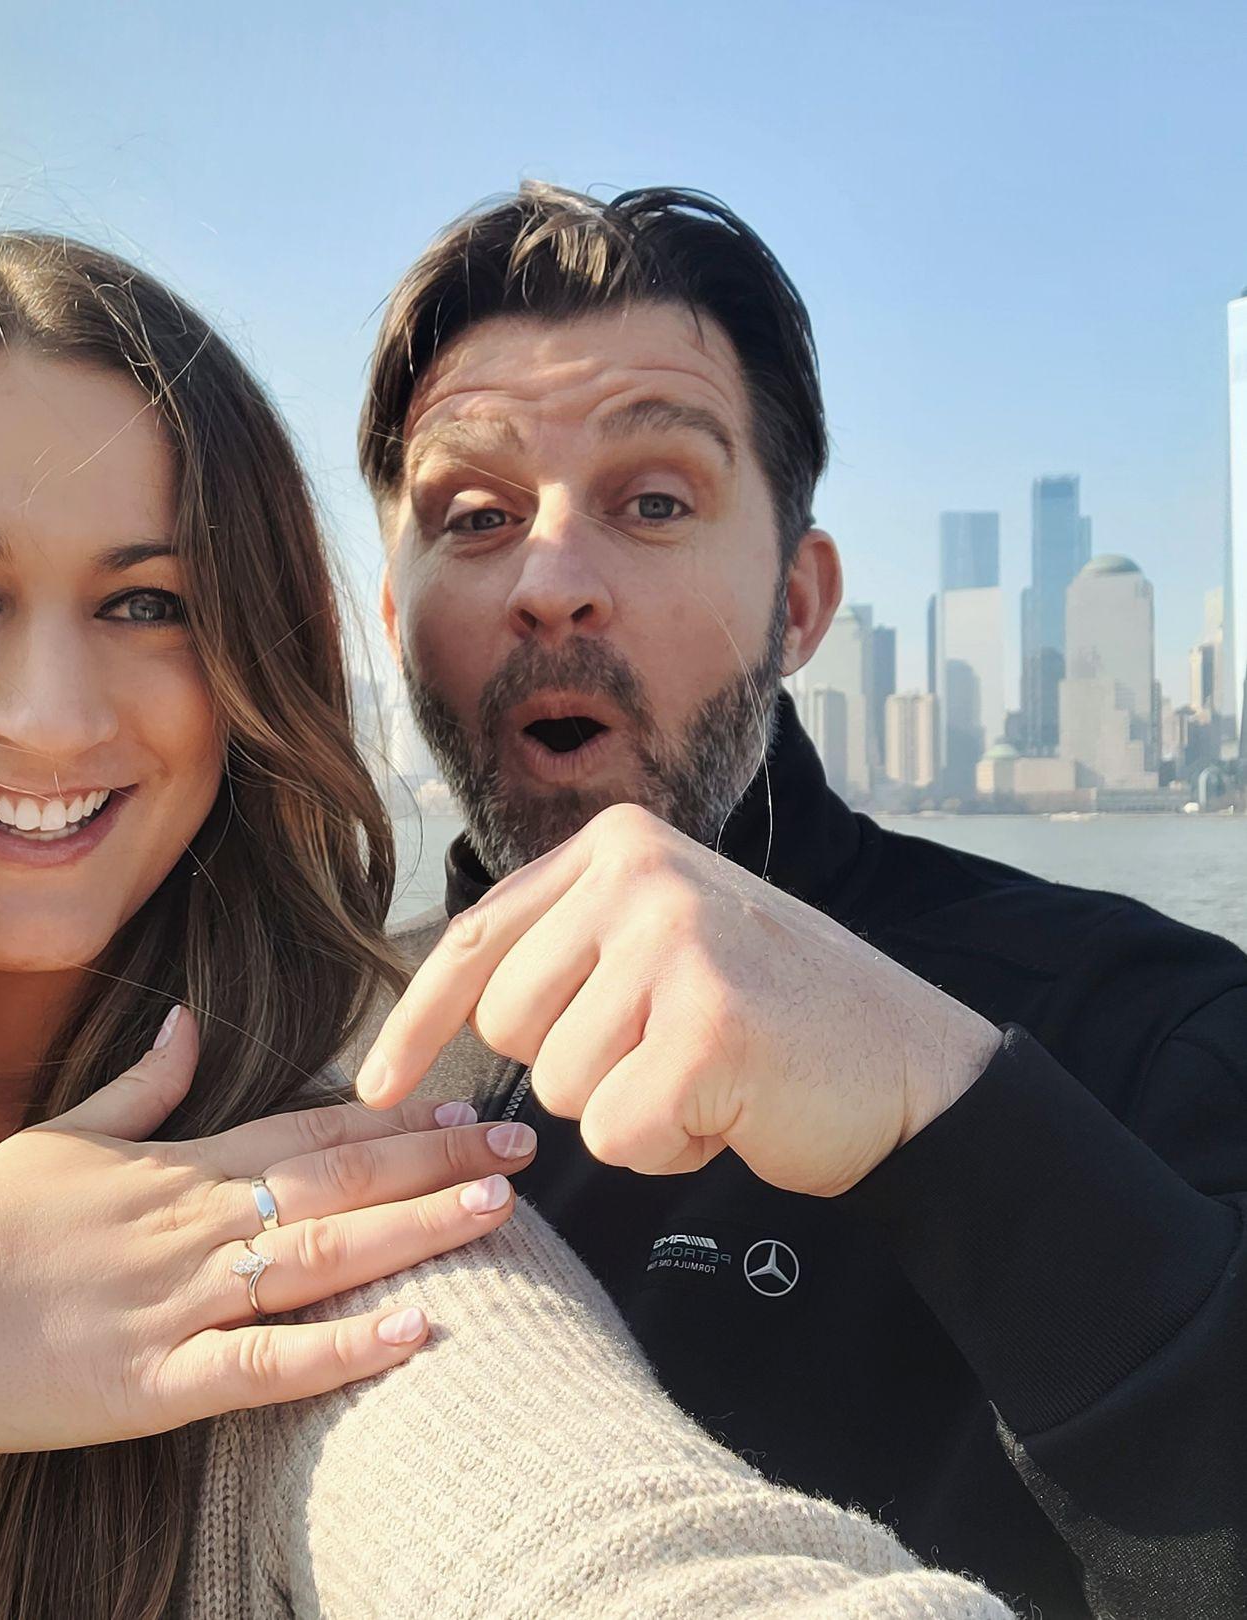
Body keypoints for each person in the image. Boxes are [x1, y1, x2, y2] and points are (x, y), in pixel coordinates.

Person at [0, 232, 1010, 1620]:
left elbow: (637, 1553)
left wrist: (959, 1111)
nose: (49, 715)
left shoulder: (351, 1212)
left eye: (149, 603)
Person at [350, 182, 1247, 1620]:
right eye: (475, 513)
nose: (552, 581)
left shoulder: (1154, 1036)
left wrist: (954, 1121)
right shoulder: (304, 1039)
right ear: (396, 621)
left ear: (800, 602)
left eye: (654, 502)